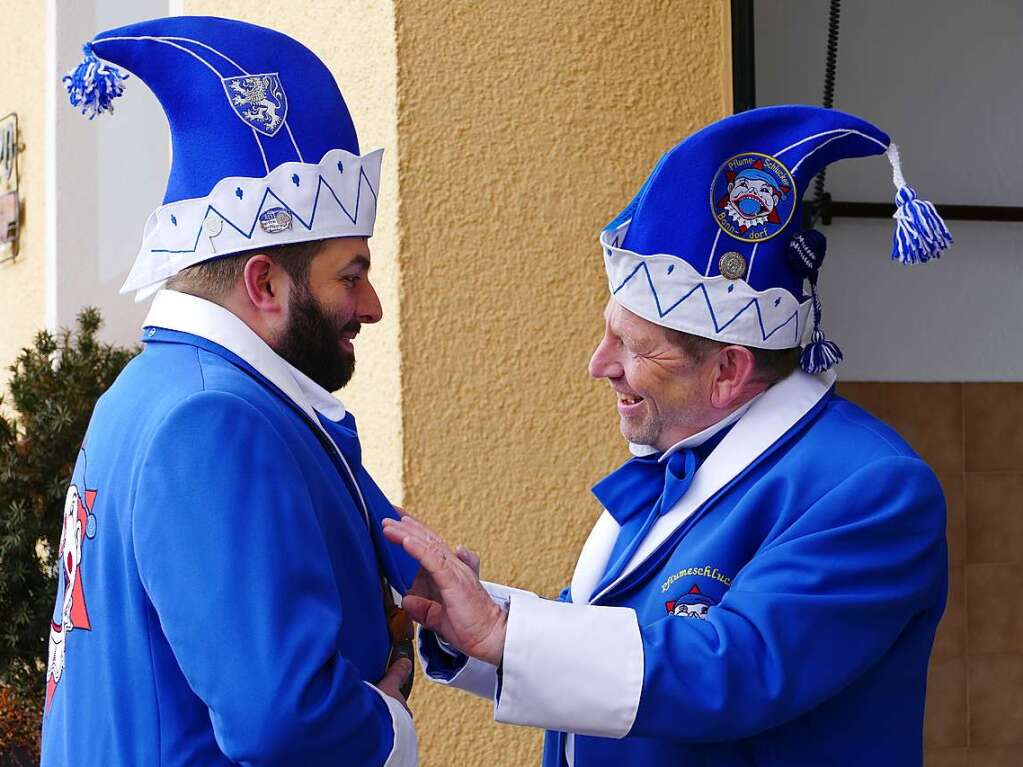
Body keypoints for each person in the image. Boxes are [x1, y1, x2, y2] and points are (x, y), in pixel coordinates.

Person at [383, 105, 953, 767]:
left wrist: (506, 633)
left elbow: (736, 669)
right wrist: (472, 617)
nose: (597, 364)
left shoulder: (872, 487)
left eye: (630, 346)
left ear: (727, 371)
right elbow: (604, 643)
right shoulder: (682, 458)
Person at [41, 16, 418, 766]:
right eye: (350, 274)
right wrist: (389, 720)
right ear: (264, 282)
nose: (371, 305)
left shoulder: (158, 390)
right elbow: (284, 718)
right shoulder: (213, 417)